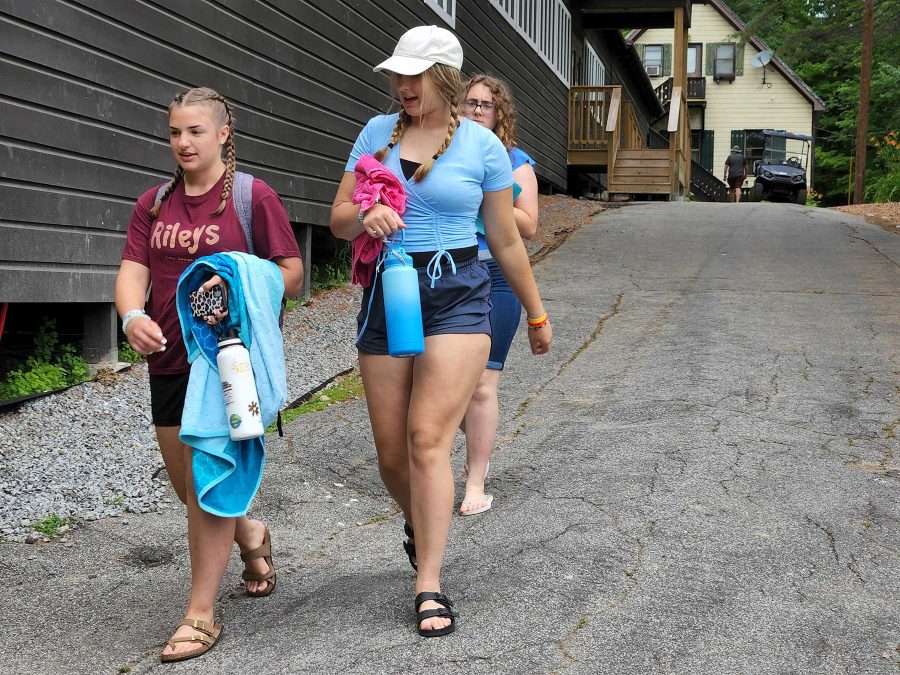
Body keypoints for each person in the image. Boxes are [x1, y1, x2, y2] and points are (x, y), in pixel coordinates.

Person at [329, 26, 552, 637]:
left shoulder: (483, 147)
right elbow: (338, 219)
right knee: (392, 452)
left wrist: (534, 312)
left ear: (446, 79)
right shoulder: (376, 134)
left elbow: (505, 238)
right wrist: (364, 214)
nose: (402, 85)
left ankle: (428, 581)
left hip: (458, 291)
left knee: (428, 437)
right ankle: (419, 521)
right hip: (387, 291)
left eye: (415, 75)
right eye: (397, 76)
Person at [115, 87, 302, 663]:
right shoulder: (153, 205)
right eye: (175, 132)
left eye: (195, 131)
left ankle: (199, 615)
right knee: (191, 488)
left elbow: (290, 272)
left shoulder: (251, 198)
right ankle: (250, 534)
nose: (183, 142)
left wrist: (242, 280)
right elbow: (132, 270)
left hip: (222, 365)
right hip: (168, 362)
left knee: (204, 488)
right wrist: (132, 316)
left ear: (224, 133)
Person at [458, 74, 539, 516]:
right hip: (449, 273)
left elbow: (528, 225)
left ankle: (475, 481)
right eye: (468, 103)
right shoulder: (445, 152)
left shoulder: (513, 160)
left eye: (485, 105)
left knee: (483, 384)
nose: (475, 111)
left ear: (498, 113)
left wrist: (488, 193)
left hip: (496, 274)